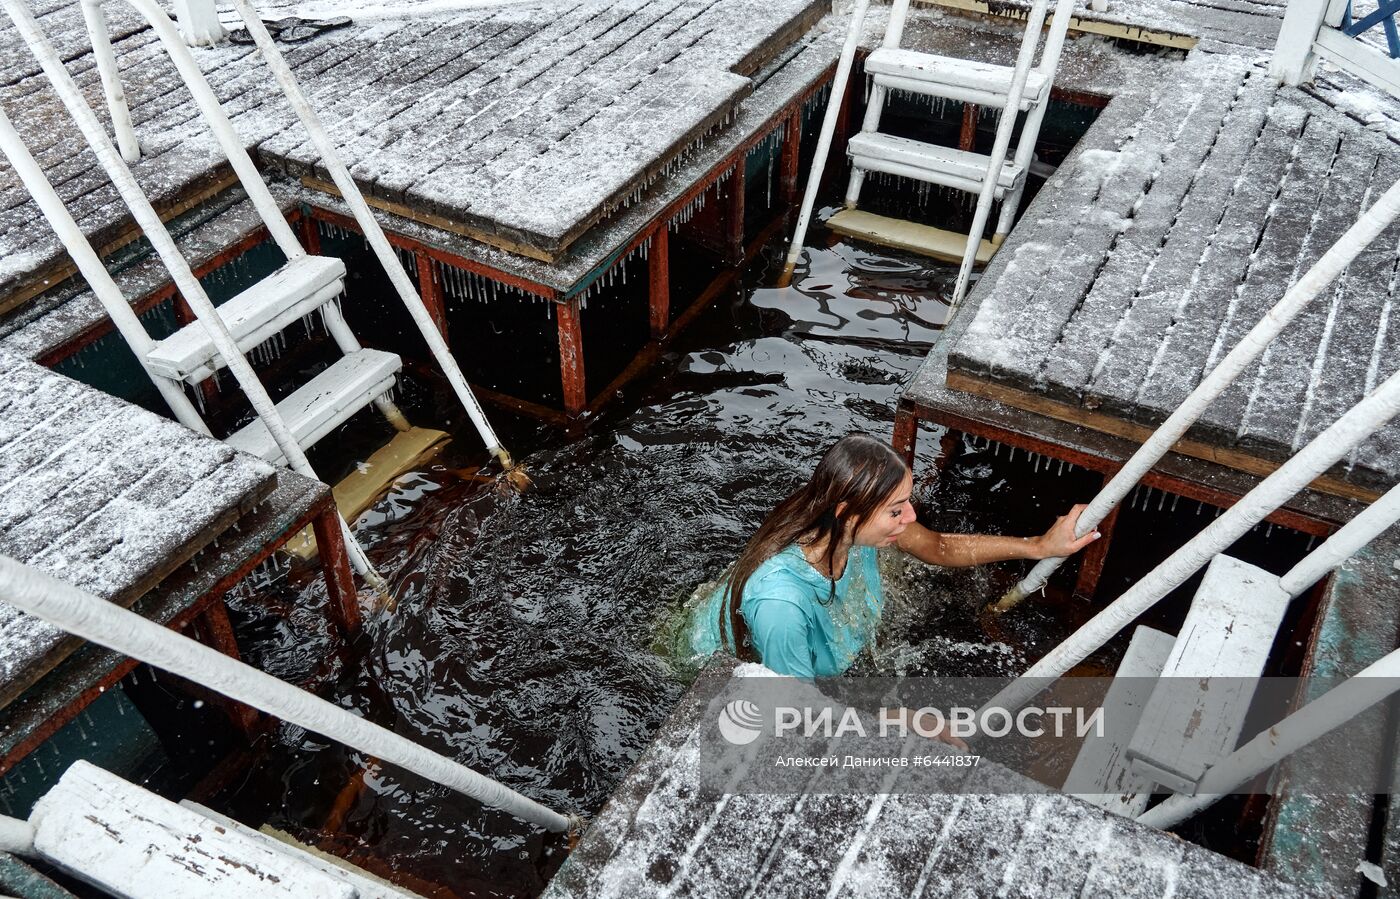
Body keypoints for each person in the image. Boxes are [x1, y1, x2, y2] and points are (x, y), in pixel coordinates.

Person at [687, 433, 1099, 679]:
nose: (912, 516)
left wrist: (1038, 546)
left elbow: (936, 546)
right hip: (706, 666)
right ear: (849, 513)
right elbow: (794, 715)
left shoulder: (836, 521)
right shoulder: (781, 606)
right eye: (897, 509)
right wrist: (905, 723)